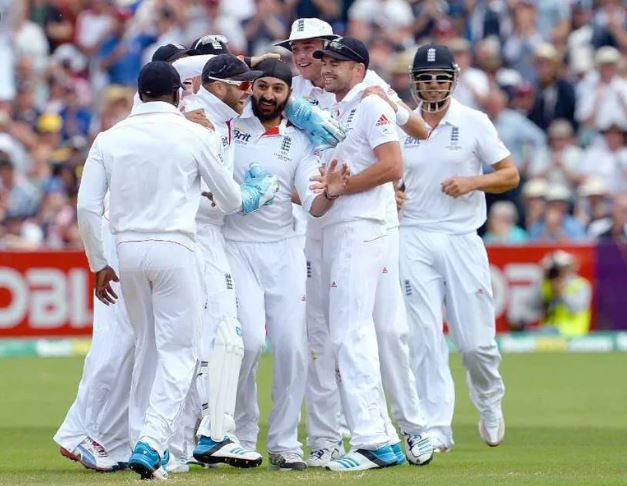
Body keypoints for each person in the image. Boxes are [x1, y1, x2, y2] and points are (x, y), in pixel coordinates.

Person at [75, 61, 278, 480]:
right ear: (178, 93)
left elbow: (87, 207)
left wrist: (99, 264)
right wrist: (260, 190)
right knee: (181, 352)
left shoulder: (110, 137)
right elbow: (230, 198)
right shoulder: (193, 132)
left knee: (146, 350)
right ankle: (152, 443)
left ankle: (142, 443)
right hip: (176, 247)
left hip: (127, 251)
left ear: (141, 93)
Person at [277, 19, 433, 468]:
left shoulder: (369, 95)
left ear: (351, 63)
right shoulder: (304, 93)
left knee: (379, 331)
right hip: (323, 221)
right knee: (325, 336)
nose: (310, 59)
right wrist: (318, 194)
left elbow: (410, 140)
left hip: (368, 222)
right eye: (300, 50)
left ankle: (399, 433)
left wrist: (345, 188)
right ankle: (330, 438)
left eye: (319, 51)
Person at [224, 59, 349, 471]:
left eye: (278, 89)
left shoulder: (299, 141)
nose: (268, 96)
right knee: (248, 345)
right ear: (251, 88)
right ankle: (241, 436)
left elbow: (312, 203)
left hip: (283, 249)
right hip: (235, 246)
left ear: (288, 95)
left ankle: (282, 441)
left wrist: (329, 194)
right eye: (262, 87)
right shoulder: (229, 127)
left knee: (293, 348)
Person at [398, 44, 519, 452]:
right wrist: (392, 195)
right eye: (425, 78)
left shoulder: (473, 122)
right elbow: (390, 176)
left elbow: (510, 175)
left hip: (461, 238)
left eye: (439, 77)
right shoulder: (401, 123)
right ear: (414, 81)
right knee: (424, 337)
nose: (432, 85)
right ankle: (436, 427)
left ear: (452, 80)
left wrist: (472, 182)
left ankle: (489, 401)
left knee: (475, 344)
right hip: (412, 235)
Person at [307, 36, 411, 472]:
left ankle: (374, 441)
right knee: (347, 333)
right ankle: (378, 434)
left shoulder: (370, 105)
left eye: (336, 61)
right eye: (323, 60)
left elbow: (393, 166)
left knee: (351, 333)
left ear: (360, 67)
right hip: (339, 226)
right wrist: (331, 192)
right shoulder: (338, 110)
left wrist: (344, 188)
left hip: (361, 227)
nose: (326, 67)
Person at [165, 54, 267, 471]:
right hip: (197, 235)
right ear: (217, 85)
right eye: (243, 84)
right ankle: (214, 435)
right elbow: (219, 197)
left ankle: (180, 448)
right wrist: (244, 198)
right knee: (222, 337)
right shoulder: (196, 117)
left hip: (206, 235)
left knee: (208, 341)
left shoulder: (220, 117)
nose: (251, 91)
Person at [534, 251, 592, 336]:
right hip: (548, 330)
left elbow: (576, 309)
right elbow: (532, 309)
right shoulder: (547, 285)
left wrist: (562, 294)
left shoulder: (581, 285)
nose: (559, 271)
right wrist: (542, 277)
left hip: (572, 332)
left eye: (562, 267)